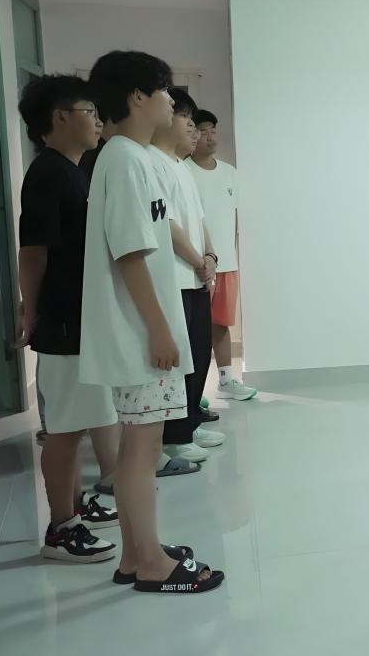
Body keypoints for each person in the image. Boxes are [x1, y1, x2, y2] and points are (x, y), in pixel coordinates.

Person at [80, 50, 224, 593]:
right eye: (164, 92)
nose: (172, 103)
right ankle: (150, 564)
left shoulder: (131, 157)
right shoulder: (125, 159)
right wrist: (160, 330)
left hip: (144, 329)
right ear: (137, 97)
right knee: (143, 451)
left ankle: (137, 554)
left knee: (139, 447)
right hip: (142, 334)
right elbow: (131, 254)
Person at [16, 74, 120, 562]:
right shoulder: (48, 174)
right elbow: (33, 250)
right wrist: (31, 309)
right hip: (63, 320)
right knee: (64, 430)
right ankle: (61, 528)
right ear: (60, 117)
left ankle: (76, 507)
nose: (98, 121)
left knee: (78, 422)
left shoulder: (73, 170)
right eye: (89, 112)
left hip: (81, 319)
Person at [147, 88, 223, 461]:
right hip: (175, 278)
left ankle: (189, 424)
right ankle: (174, 436)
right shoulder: (152, 162)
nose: (193, 129)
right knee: (180, 362)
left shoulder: (181, 166)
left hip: (194, 276)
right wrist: (198, 261)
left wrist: (210, 256)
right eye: (186, 120)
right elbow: (166, 225)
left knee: (199, 354)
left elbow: (200, 220)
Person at [187, 111, 258, 403]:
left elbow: (236, 218)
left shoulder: (230, 173)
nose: (210, 137)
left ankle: (227, 380)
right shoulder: (183, 171)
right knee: (195, 329)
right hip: (196, 264)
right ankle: (193, 390)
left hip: (226, 262)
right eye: (203, 130)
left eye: (213, 130)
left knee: (221, 324)